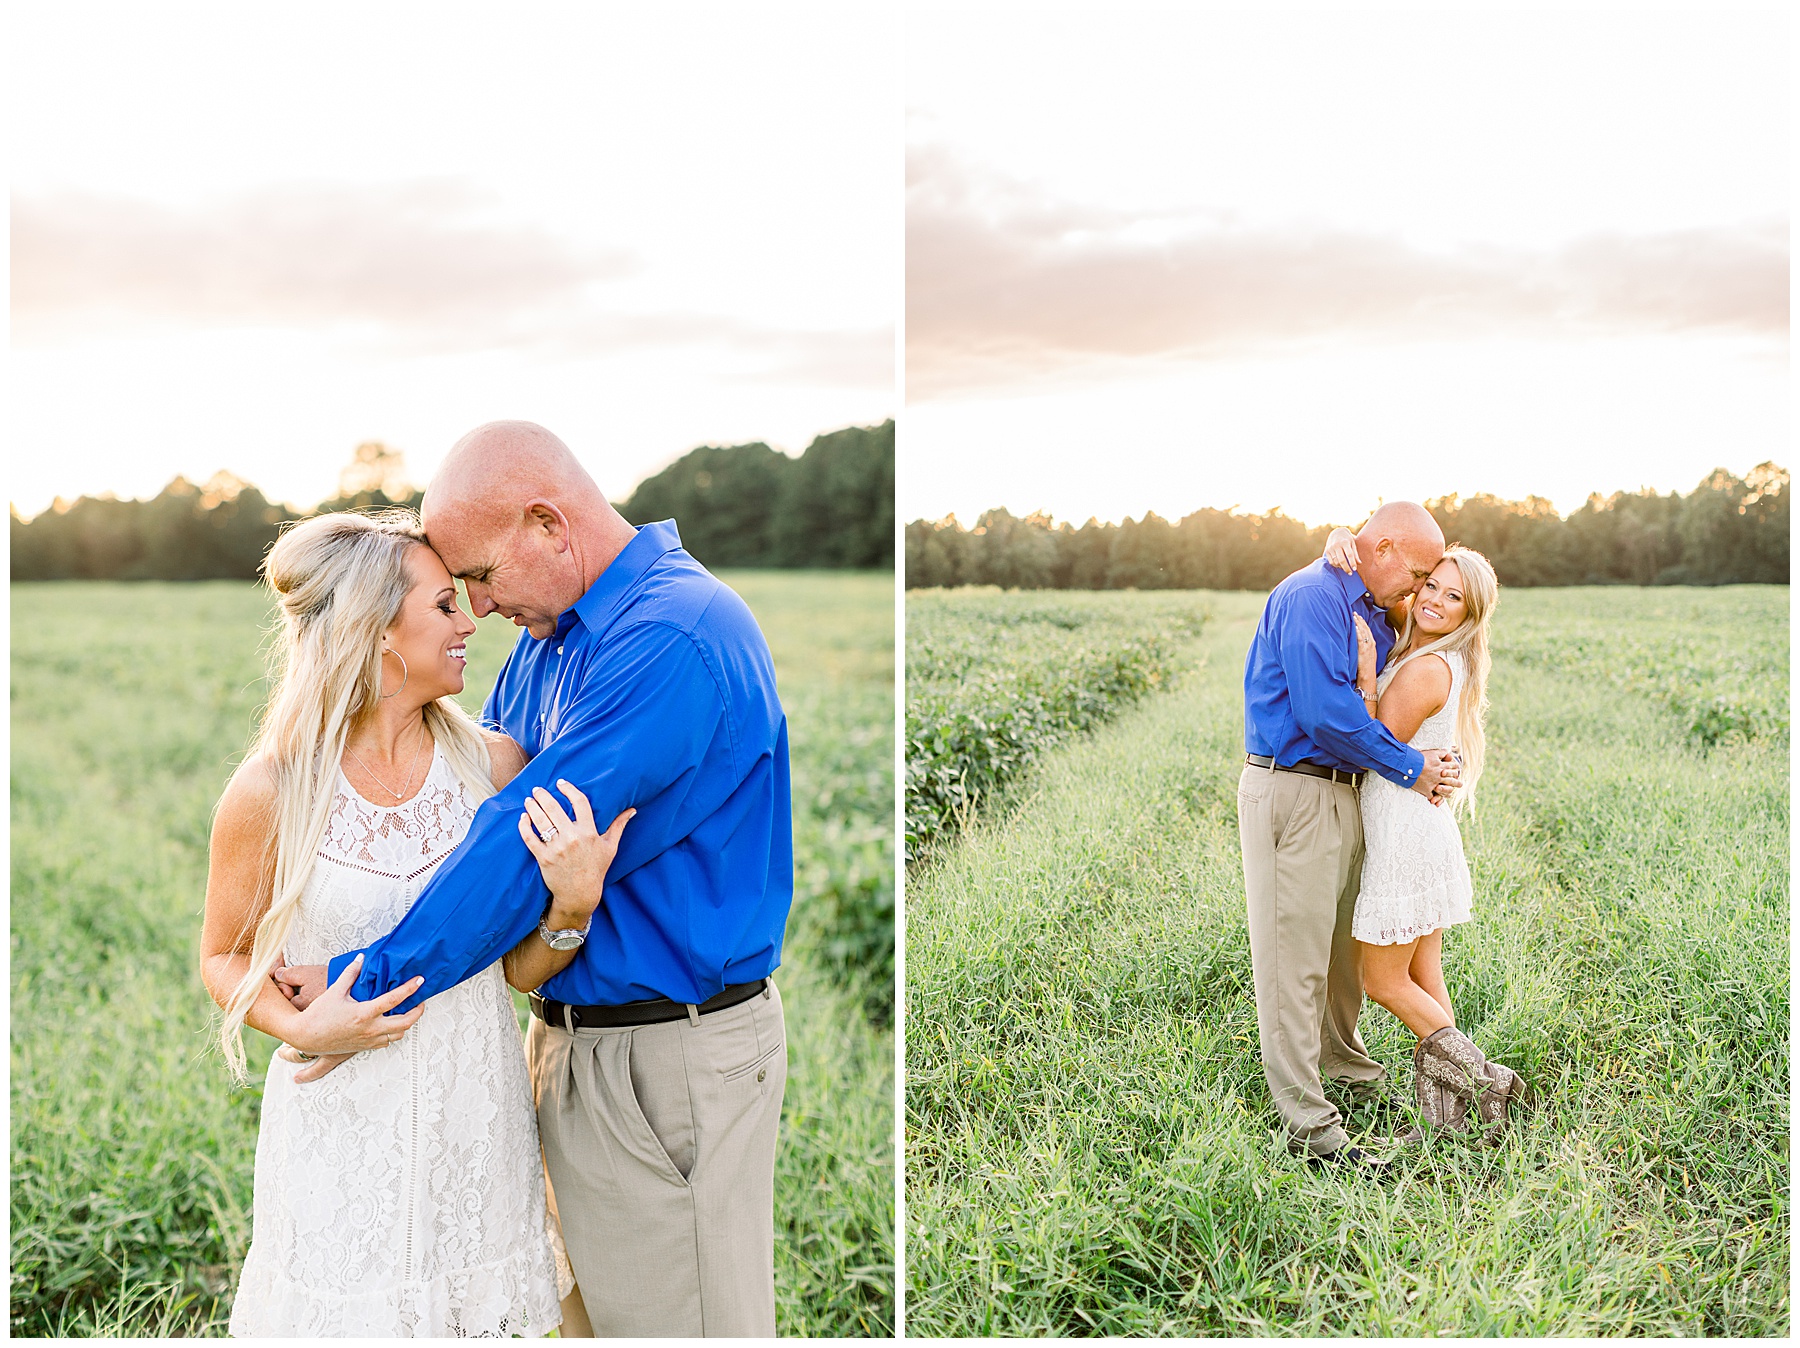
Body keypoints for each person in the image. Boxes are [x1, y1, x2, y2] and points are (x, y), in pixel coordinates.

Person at [274, 420, 794, 1337]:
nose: (475, 609)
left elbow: (514, 839)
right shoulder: (550, 643)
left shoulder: (674, 633)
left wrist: (370, 975)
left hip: (668, 1052)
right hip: (562, 1041)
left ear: (549, 525)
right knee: (588, 1323)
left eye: (479, 576)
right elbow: (476, 799)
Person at [200, 509, 632, 1337]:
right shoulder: (273, 789)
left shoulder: (494, 767)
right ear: (374, 630)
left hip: (475, 1130)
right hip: (339, 1135)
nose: (470, 622)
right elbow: (224, 956)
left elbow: (515, 970)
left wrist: (572, 908)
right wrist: (306, 1025)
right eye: (442, 605)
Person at [1238, 500, 1462, 1170]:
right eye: (1416, 575)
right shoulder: (1313, 596)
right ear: (1383, 547)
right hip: (1295, 788)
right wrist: (1411, 767)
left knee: (1342, 958)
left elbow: (1423, 640)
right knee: (1294, 963)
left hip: (1347, 793)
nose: (1418, 591)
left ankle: (1350, 1074)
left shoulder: (1372, 603)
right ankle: (1313, 1131)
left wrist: (1344, 537)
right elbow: (1325, 714)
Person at [1323, 528, 1530, 1141]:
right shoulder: (1432, 650)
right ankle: (1450, 1119)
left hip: (1406, 836)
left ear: (1471, 613)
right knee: (1425, 978)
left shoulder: (1426, 668)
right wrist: (1341, 536)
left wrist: (1367, 675)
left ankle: (1487, 1083)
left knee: (1383, 981)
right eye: (1432, 586)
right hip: (1422, 829)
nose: (1435, 600)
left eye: (1453, 597)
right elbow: (1381, 559)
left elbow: (1372, 746)